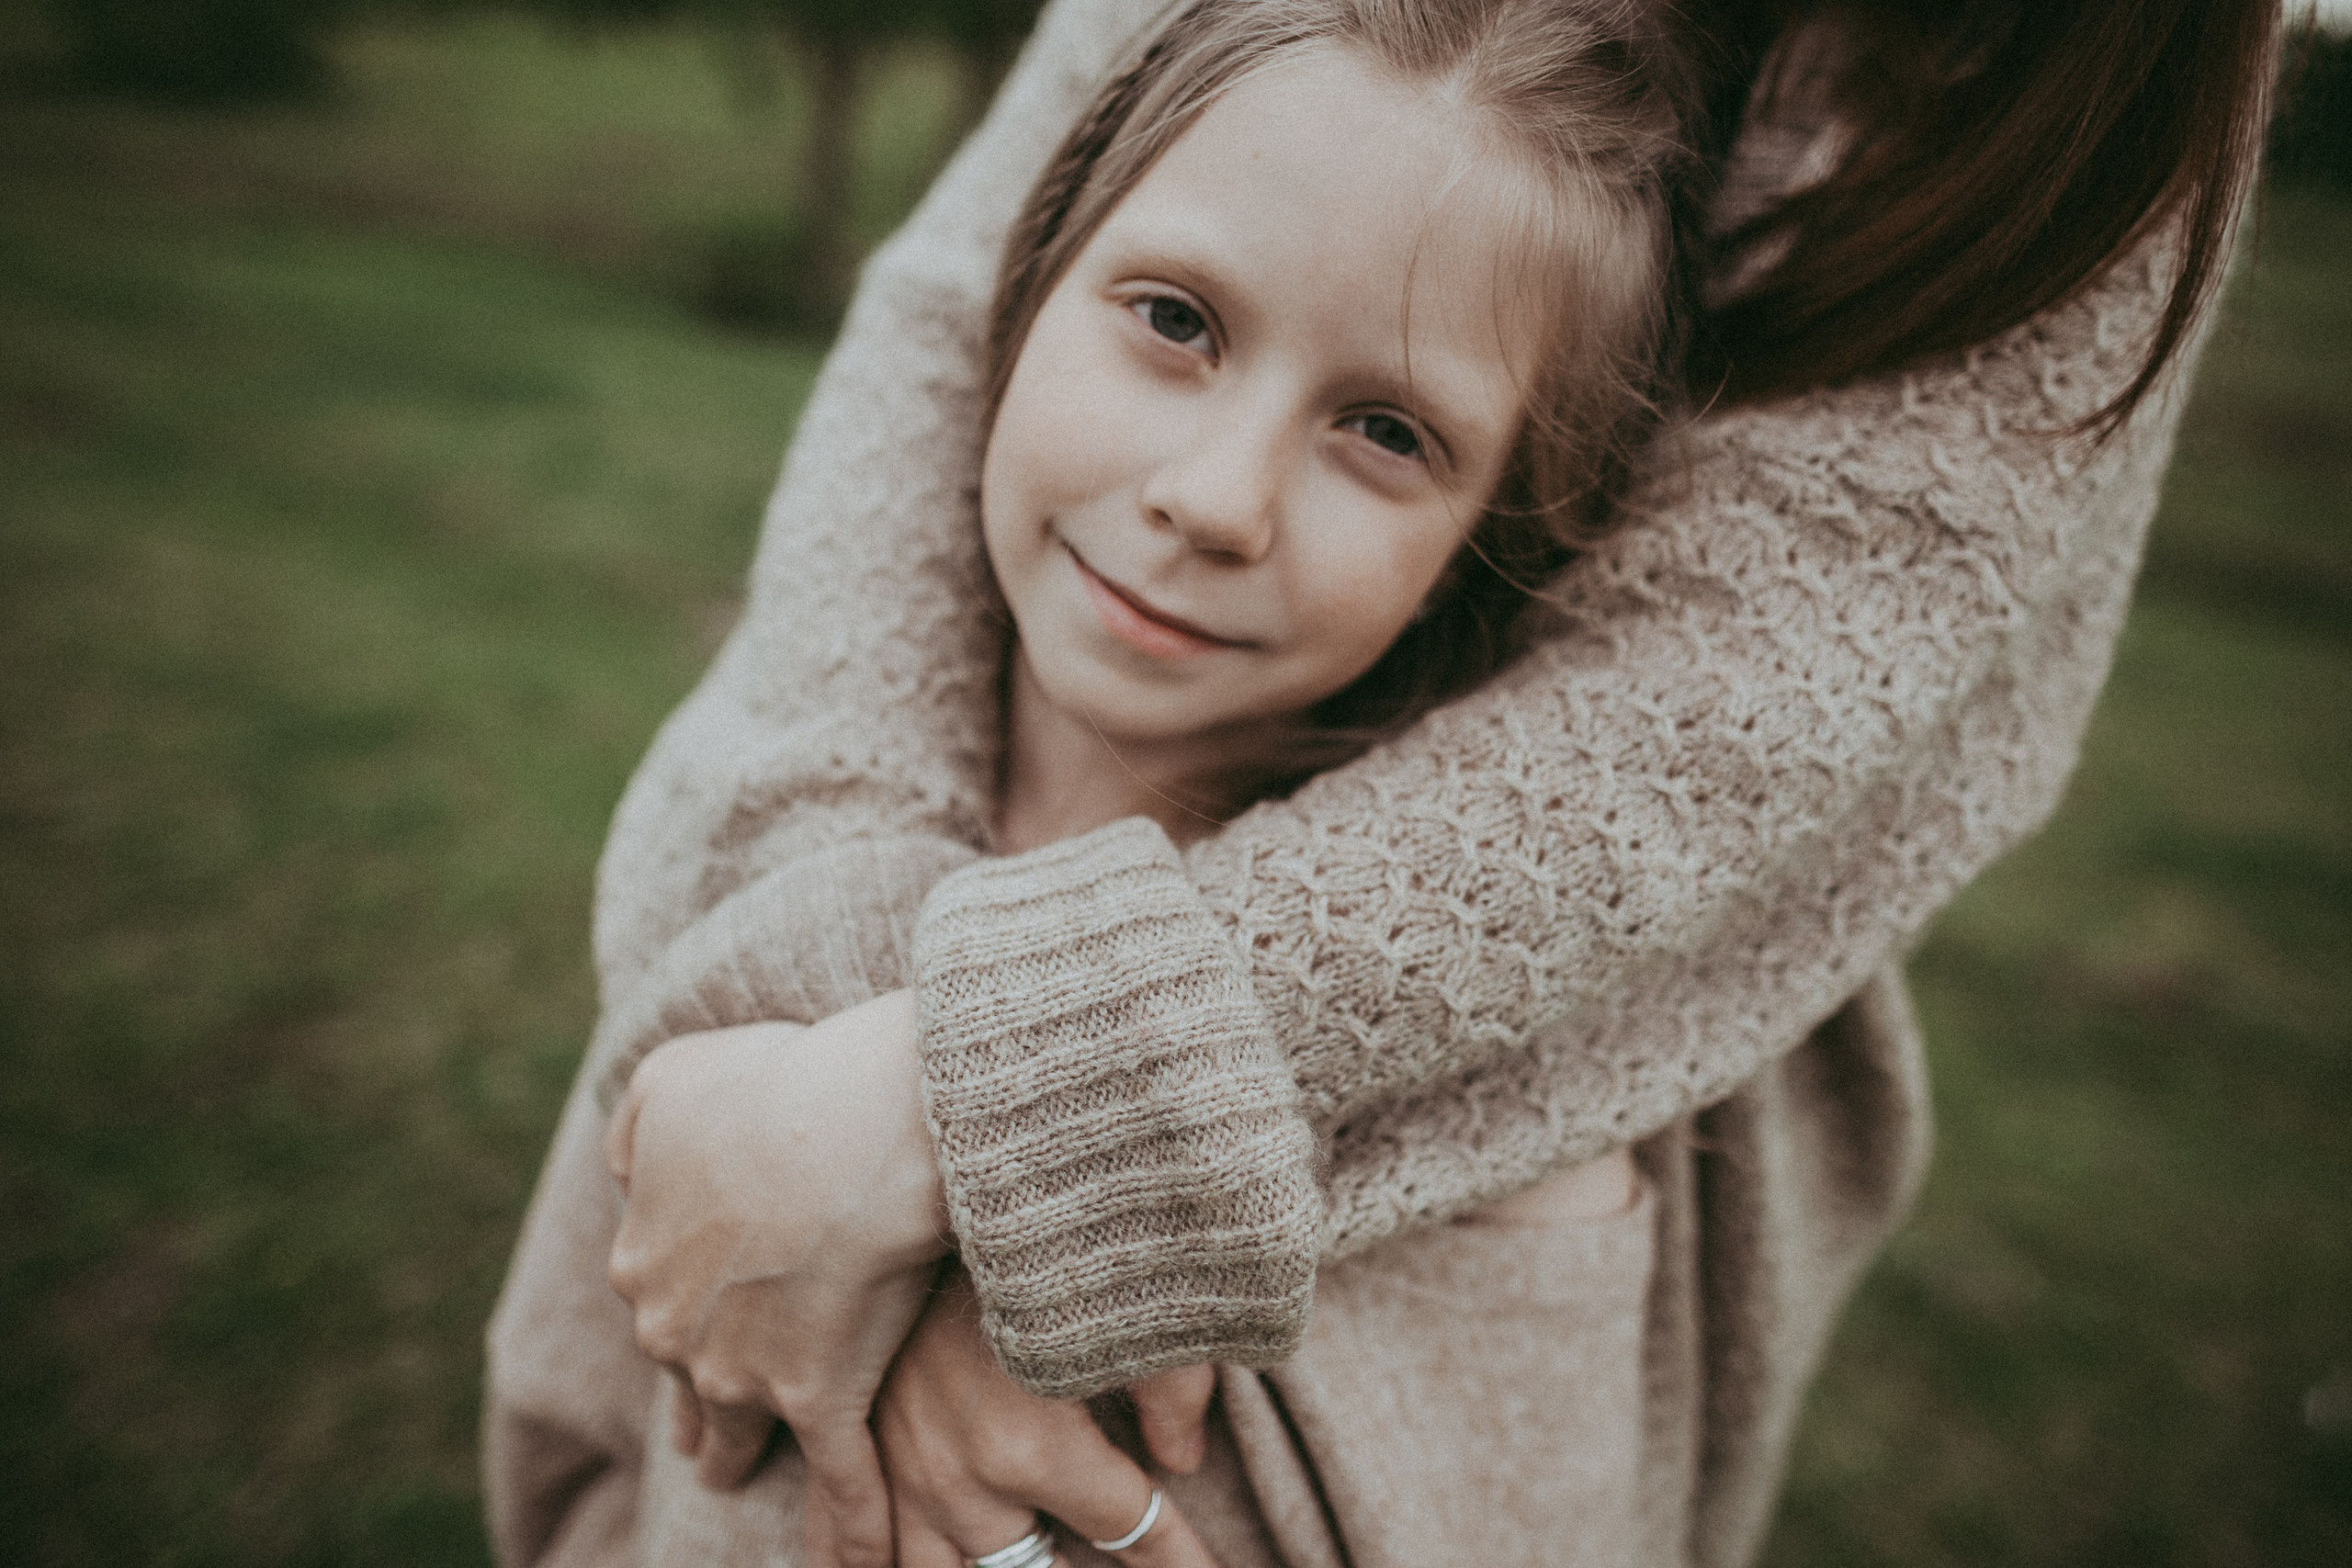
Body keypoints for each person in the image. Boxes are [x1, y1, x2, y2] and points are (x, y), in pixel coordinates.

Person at [482, 1, 2281, 1566]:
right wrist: (846, 1082)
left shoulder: (1500, 1197)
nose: (1215, 494)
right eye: (1174, 319)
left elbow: (1785, 674)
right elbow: (578, 1444)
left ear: (1491, 535)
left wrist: (961, 1147)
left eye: (1385, 429)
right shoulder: (750, 959)